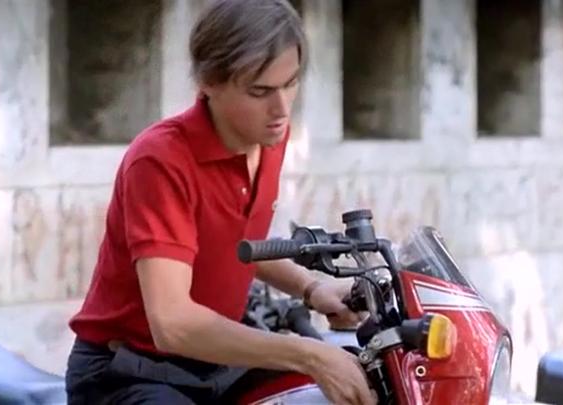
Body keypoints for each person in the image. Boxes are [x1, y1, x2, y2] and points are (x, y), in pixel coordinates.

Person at [65, 0, 375, 404]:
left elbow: (236, 244)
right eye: (260, 91)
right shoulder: (160, 161)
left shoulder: (267, 136)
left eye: (291, 83)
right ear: (209, 82)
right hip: (128, 370)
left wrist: (312, 288)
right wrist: (309, 354)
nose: (282, 109)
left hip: (217, 363)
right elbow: (172, 324)